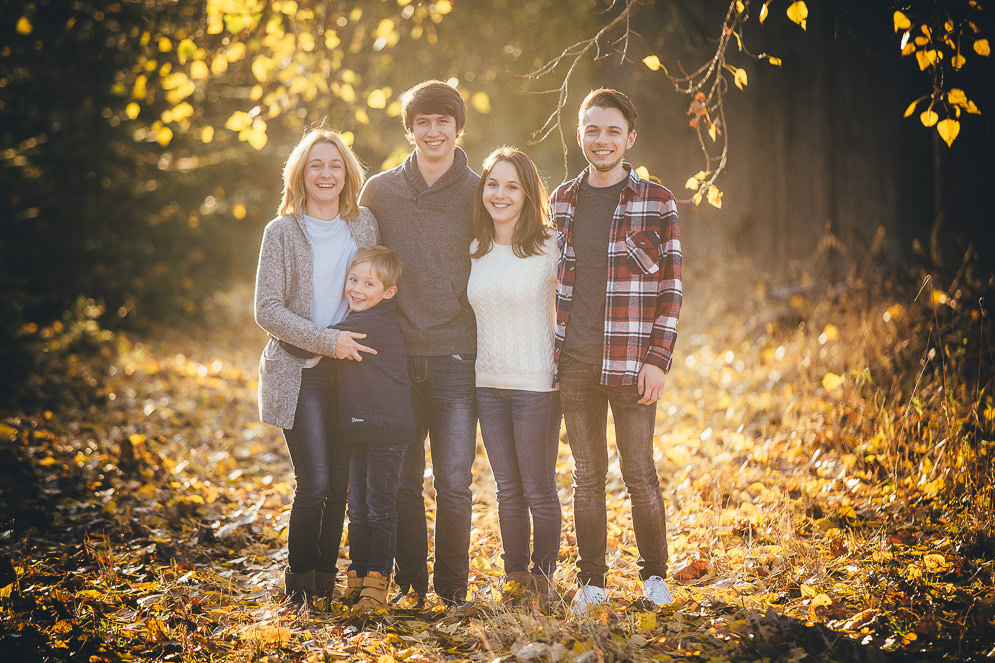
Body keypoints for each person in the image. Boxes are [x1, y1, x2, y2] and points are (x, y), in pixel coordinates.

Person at [551, 89, 683, 615]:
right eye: (591, 130)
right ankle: (593, 583)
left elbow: (671, 287)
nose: (600, 140)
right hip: (576, 364)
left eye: (611, 131)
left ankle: (654, 577)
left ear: (629, 139)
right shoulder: (560, 200)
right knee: (587, 476)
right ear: (579, 134)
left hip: (633, 365)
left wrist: (659, 359)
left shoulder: (657, 200)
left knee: (640, 474)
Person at [359, 80, 480, 607]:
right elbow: (362, 269)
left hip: (458, 354)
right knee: (405, 479)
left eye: (442, 121)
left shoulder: (481, 189)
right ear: (410, 129)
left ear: (458, 127)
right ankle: (411, 586)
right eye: (423, 122)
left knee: (453, 482)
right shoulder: (380, 192)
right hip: (398, 359)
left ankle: (452, 590)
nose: (433, 132)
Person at [254, 126, 379, 602]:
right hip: (298, 369)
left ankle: (324, 583)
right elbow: (267, 310)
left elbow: (379, 286)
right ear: (300, 175)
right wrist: (328, 341)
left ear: (347, 173)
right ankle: (299, 584)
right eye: (315, 165)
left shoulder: (364, 223)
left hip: (350, 372)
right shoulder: (282, 231)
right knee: (315, 481)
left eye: (334, 165)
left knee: (342, 484)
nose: (326, 174)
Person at [466, 147, 562, 606]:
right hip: (487, 383)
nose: (500, 194)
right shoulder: (475, 248)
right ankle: (515, 577)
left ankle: (545, 580)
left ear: (527, 193)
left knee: (538, 489)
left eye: (511, 186)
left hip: (537, 385)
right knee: (507, 489)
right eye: (492, 184)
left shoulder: (550, 246)